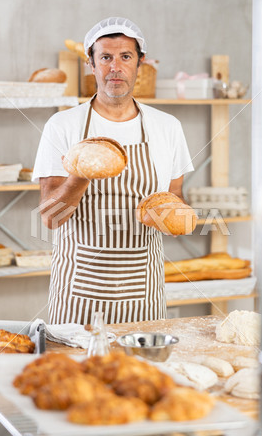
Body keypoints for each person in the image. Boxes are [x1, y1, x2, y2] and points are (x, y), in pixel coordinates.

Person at [32, 17, 194, 325]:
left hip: (143, 295)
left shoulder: (168, 127)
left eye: (126, 57)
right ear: (91, 64)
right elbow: (50, 218)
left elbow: (174, 199)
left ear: (140, 63)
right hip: (77, 296)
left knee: (140, 373)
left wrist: (178, 218)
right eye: (105, 57)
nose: (115, 68)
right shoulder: (63, 125)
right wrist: (81, 173)